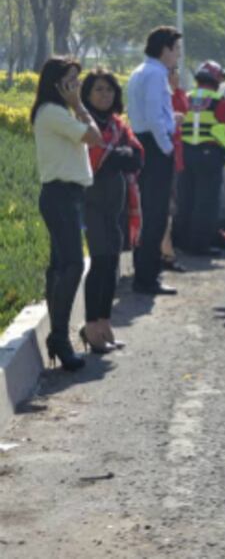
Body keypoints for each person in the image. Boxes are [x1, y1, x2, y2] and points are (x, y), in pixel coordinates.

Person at [31, 57, 103, 371]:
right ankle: (59, 337)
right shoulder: (52, 113)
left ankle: (58, 337)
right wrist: (79, 105)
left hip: (68, 195)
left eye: (77, 80)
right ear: (55, 83)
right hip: (60, 195)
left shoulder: (59, 113)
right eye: (70, 81)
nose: (75, 86)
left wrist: (75, 105)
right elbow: (94, 136)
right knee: (72, 264)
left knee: (61, 265)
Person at [80, 70, 144, 353]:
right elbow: (95, 163)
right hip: (92, 204)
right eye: (98, 90)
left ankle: (105, 325)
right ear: (87, 94)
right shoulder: (84, 123)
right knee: (100, 263)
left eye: (109, 90)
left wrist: (124, 156)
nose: (105, 95)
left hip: (116, 205)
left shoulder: (118, 124)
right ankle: (91, 327)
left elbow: (136, 154)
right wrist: (117, 158)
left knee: (111, 264)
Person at [127, 26, 182, 295]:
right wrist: (167, 146)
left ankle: (147, 274)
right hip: (154, 147)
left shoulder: (142, 71)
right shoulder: (155, 74)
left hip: (145, 143)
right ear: (165, 49)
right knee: (155, 215)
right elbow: (153, 116)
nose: (178, 56)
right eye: (176, 49)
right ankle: (147, 278)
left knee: (151, 213)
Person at [172, 60, 225, 255]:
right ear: (216, 79)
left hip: (185, 153)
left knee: (186, 198)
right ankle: (200, 245)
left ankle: (181, 242)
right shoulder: (221, 101)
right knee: (206, 202)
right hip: (209, 154)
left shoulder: (186, 98)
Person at [160, 66, 188, 272]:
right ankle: (166, 253)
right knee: (165, 208)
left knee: (172, 207)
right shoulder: (162, 97)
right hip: (166, 153)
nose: (175, 78)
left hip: (177, 154)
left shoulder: (179, 94)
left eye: (176, 74)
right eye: (171, 75)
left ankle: (167, 249)